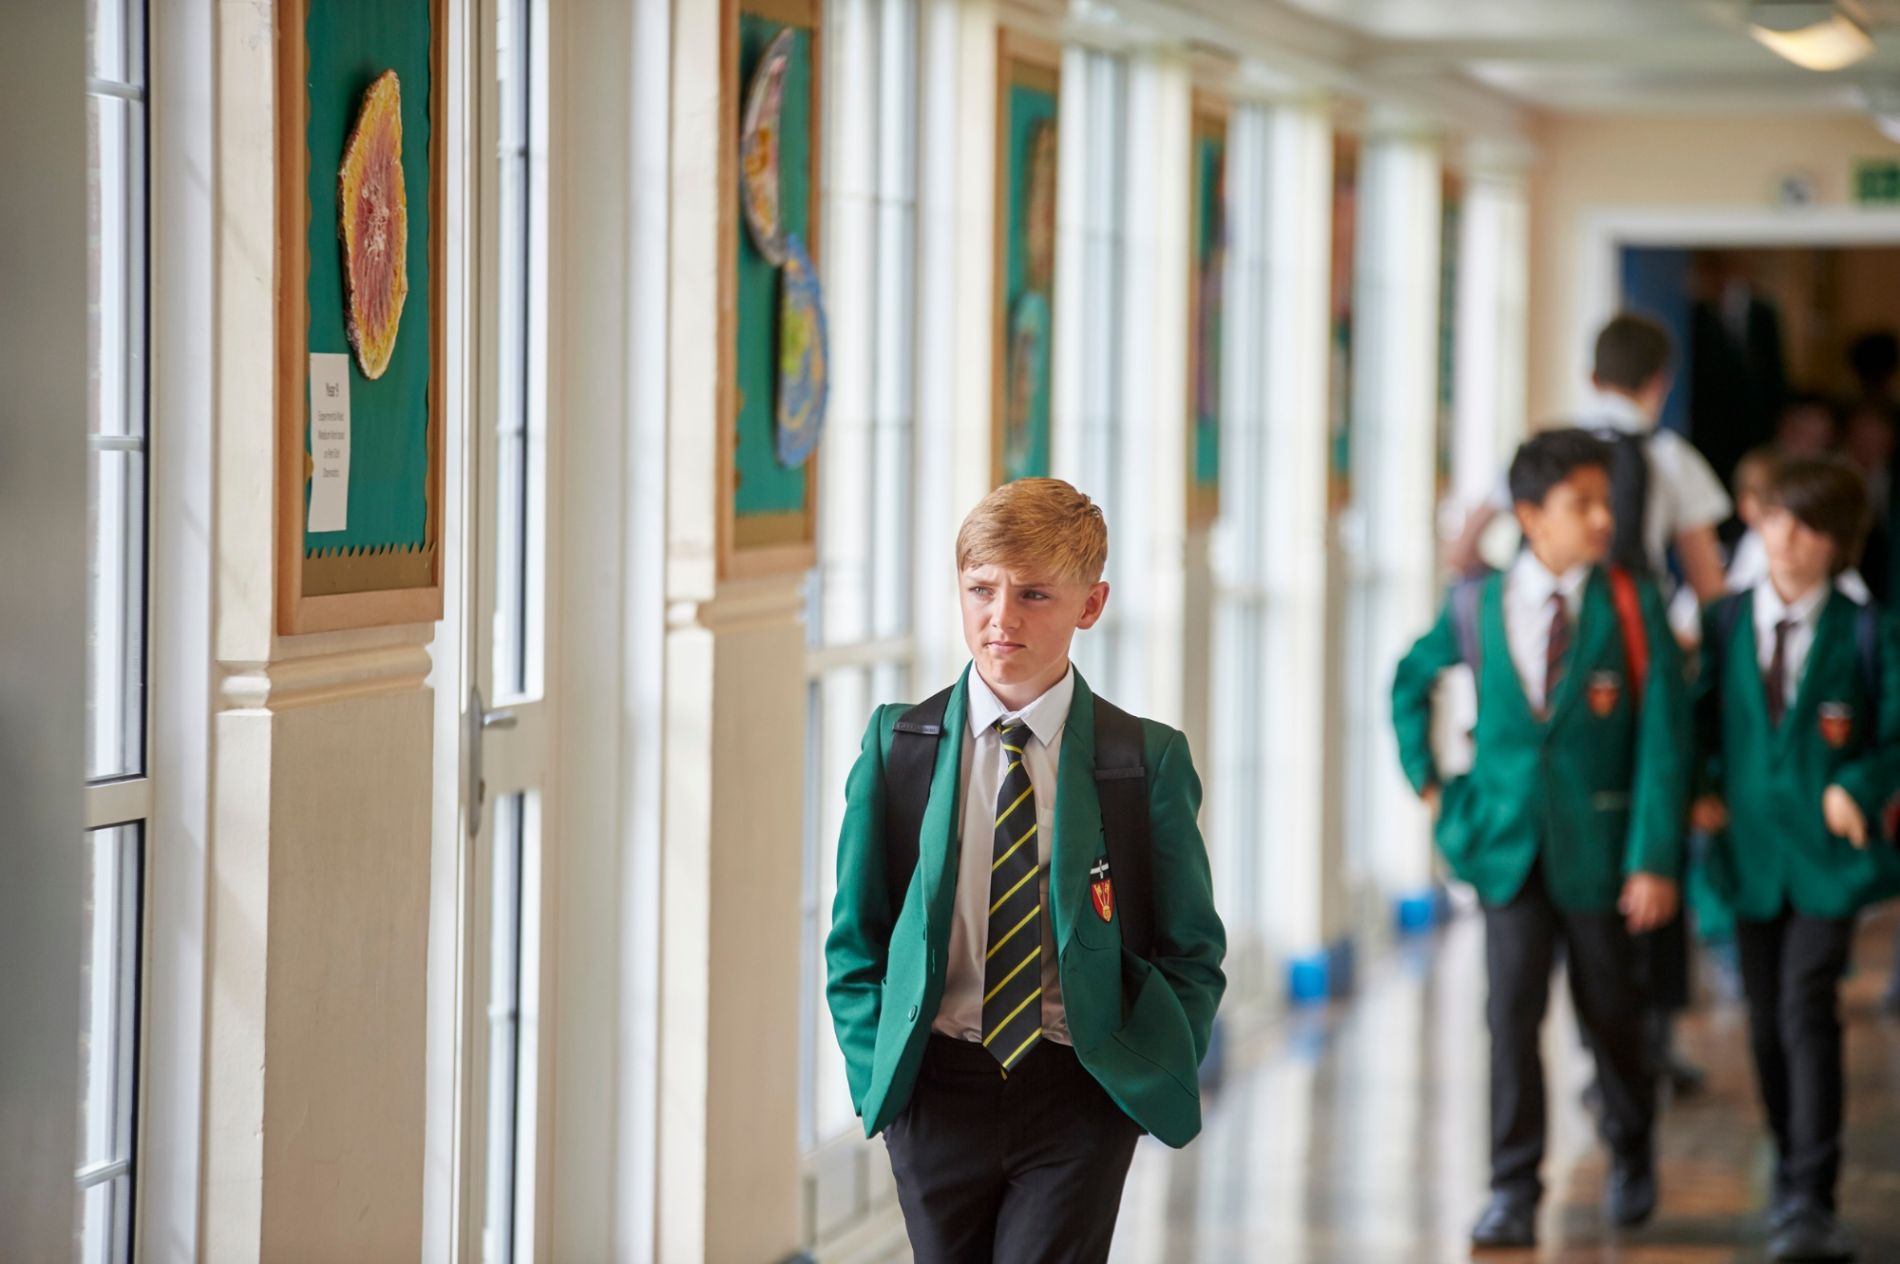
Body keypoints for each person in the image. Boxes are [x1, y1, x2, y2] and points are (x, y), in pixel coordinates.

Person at [825, 478, 1227, 1264]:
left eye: (1034, 594)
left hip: (1076, 1089)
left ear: (1091, 603)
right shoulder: (898, 749)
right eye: (981, 590)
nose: (1001, 619)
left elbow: (1191, 948)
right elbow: (856, 941)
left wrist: (1137, 1078)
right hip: (936, 1089)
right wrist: (883, 1080)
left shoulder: (1142, 761)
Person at [1394, 430, 1689, 1249]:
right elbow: (1410, 681)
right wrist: (1434, 787)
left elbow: (1665, 738)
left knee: (1613, 1015)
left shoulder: (1631, 602)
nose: (1602, 519)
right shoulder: (1474, 605)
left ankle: (1632, 1147)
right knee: (1510, 1017)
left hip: (1604, 856)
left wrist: (1654, 858)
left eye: (1605, 503)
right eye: (1581, 505)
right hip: (1507, 855)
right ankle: (1512, 1186)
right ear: (1529, 515)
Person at [1692, 456, 1900, 1262]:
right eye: (1776, 518)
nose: (1788, 539)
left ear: (1840, 542)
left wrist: (1859, 780)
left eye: (1810, 527)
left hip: (1827, 861)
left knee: (1807, 1003)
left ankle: (1813, 1195)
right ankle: (1790, 1169)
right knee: (1765, 1019)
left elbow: (1891, 736)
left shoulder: (1868, 631)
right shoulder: (1721, 622)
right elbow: (1699, 724)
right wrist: (1700, 790)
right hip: (1746, 858)